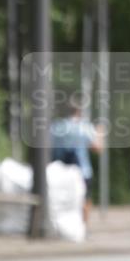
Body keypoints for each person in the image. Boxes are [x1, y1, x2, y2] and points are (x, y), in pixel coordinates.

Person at [50, 94, 104, 226]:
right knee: (85, 199)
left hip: (61, 171)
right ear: (80, 111)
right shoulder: (84, 127)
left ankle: (61, 225)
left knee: (62, 199)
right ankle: (83, 227)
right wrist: (100, 132)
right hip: (82, 171)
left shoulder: (56, 126)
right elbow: (97, 148)